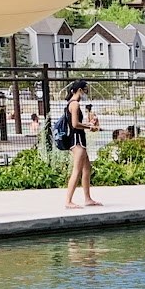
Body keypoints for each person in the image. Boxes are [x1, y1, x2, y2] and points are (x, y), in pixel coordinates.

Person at [62, 79, 102, 208]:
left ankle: (87, 198)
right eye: (85, 90)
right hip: (77, 139)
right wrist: (88, 126)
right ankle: (68, 201)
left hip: (79, 139)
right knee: (77, 170)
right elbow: (75, 124)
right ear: (80, 90)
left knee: (86, 169)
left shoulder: (73, 103)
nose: (86, 92)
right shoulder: (75, 104)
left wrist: (89, 124)